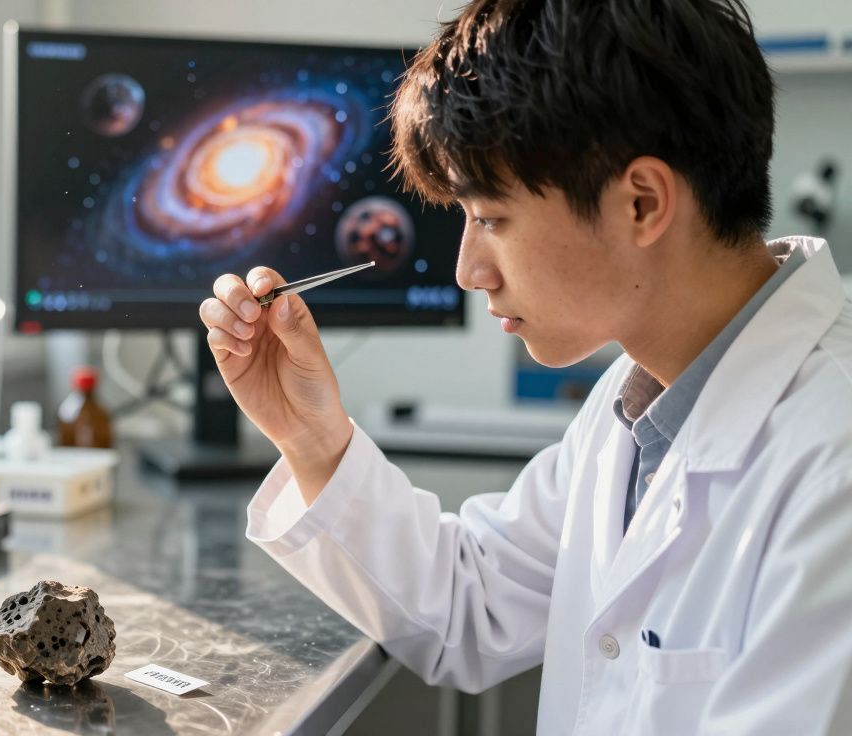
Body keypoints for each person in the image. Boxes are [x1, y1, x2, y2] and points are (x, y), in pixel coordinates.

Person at [198, 1, 852, 733]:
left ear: (641, 203)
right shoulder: (642, 401)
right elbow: (471, 607)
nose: (469, 271)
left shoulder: (833, 466)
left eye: (491, 219)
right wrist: (310, 437)